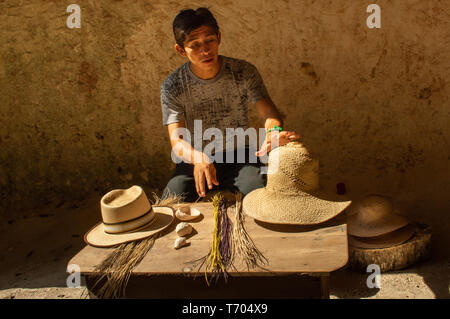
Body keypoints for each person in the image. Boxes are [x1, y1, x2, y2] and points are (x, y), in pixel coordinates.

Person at [160, 7, 300, 202]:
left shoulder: (242, 72)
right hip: (195, 159)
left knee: (260, 195)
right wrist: (199, 158)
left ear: (219, 37)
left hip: (240, 156)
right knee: (171, 200)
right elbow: (177, 142)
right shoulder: (173, 85)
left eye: (210, 40)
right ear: (181, 50)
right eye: (195, 45)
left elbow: (268, 112)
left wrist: (273, 132)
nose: (205, 50)